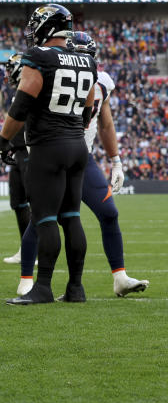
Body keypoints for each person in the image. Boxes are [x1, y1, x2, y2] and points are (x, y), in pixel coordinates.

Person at [13, 31, 148, 299]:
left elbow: (105, 123)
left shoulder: (101, 82)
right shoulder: (50, 74)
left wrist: (116, 160)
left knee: (108, 213)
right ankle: (27, 280)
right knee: (41, 220)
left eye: (88, 57)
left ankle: (119, 277)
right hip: (52, 153)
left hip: (81, 158)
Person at [2, 5, 96, 305]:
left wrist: (4, 139)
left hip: (48, 147)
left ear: (47, 26)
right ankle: (76, 288)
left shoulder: (40, 57)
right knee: (71, 217)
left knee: (44, 218)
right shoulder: (87, 60)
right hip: (76, 145)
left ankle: (42, 287)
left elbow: (21, 105)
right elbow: (89, 107)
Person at [2, 53, 31, 264]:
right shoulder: (18, 92)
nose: (7, 75)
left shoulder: (31, 89)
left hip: (29, 151)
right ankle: (26, 248)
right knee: (18, 203)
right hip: (18, 151)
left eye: (10, 69)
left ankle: (36, 249)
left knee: (37, 205)